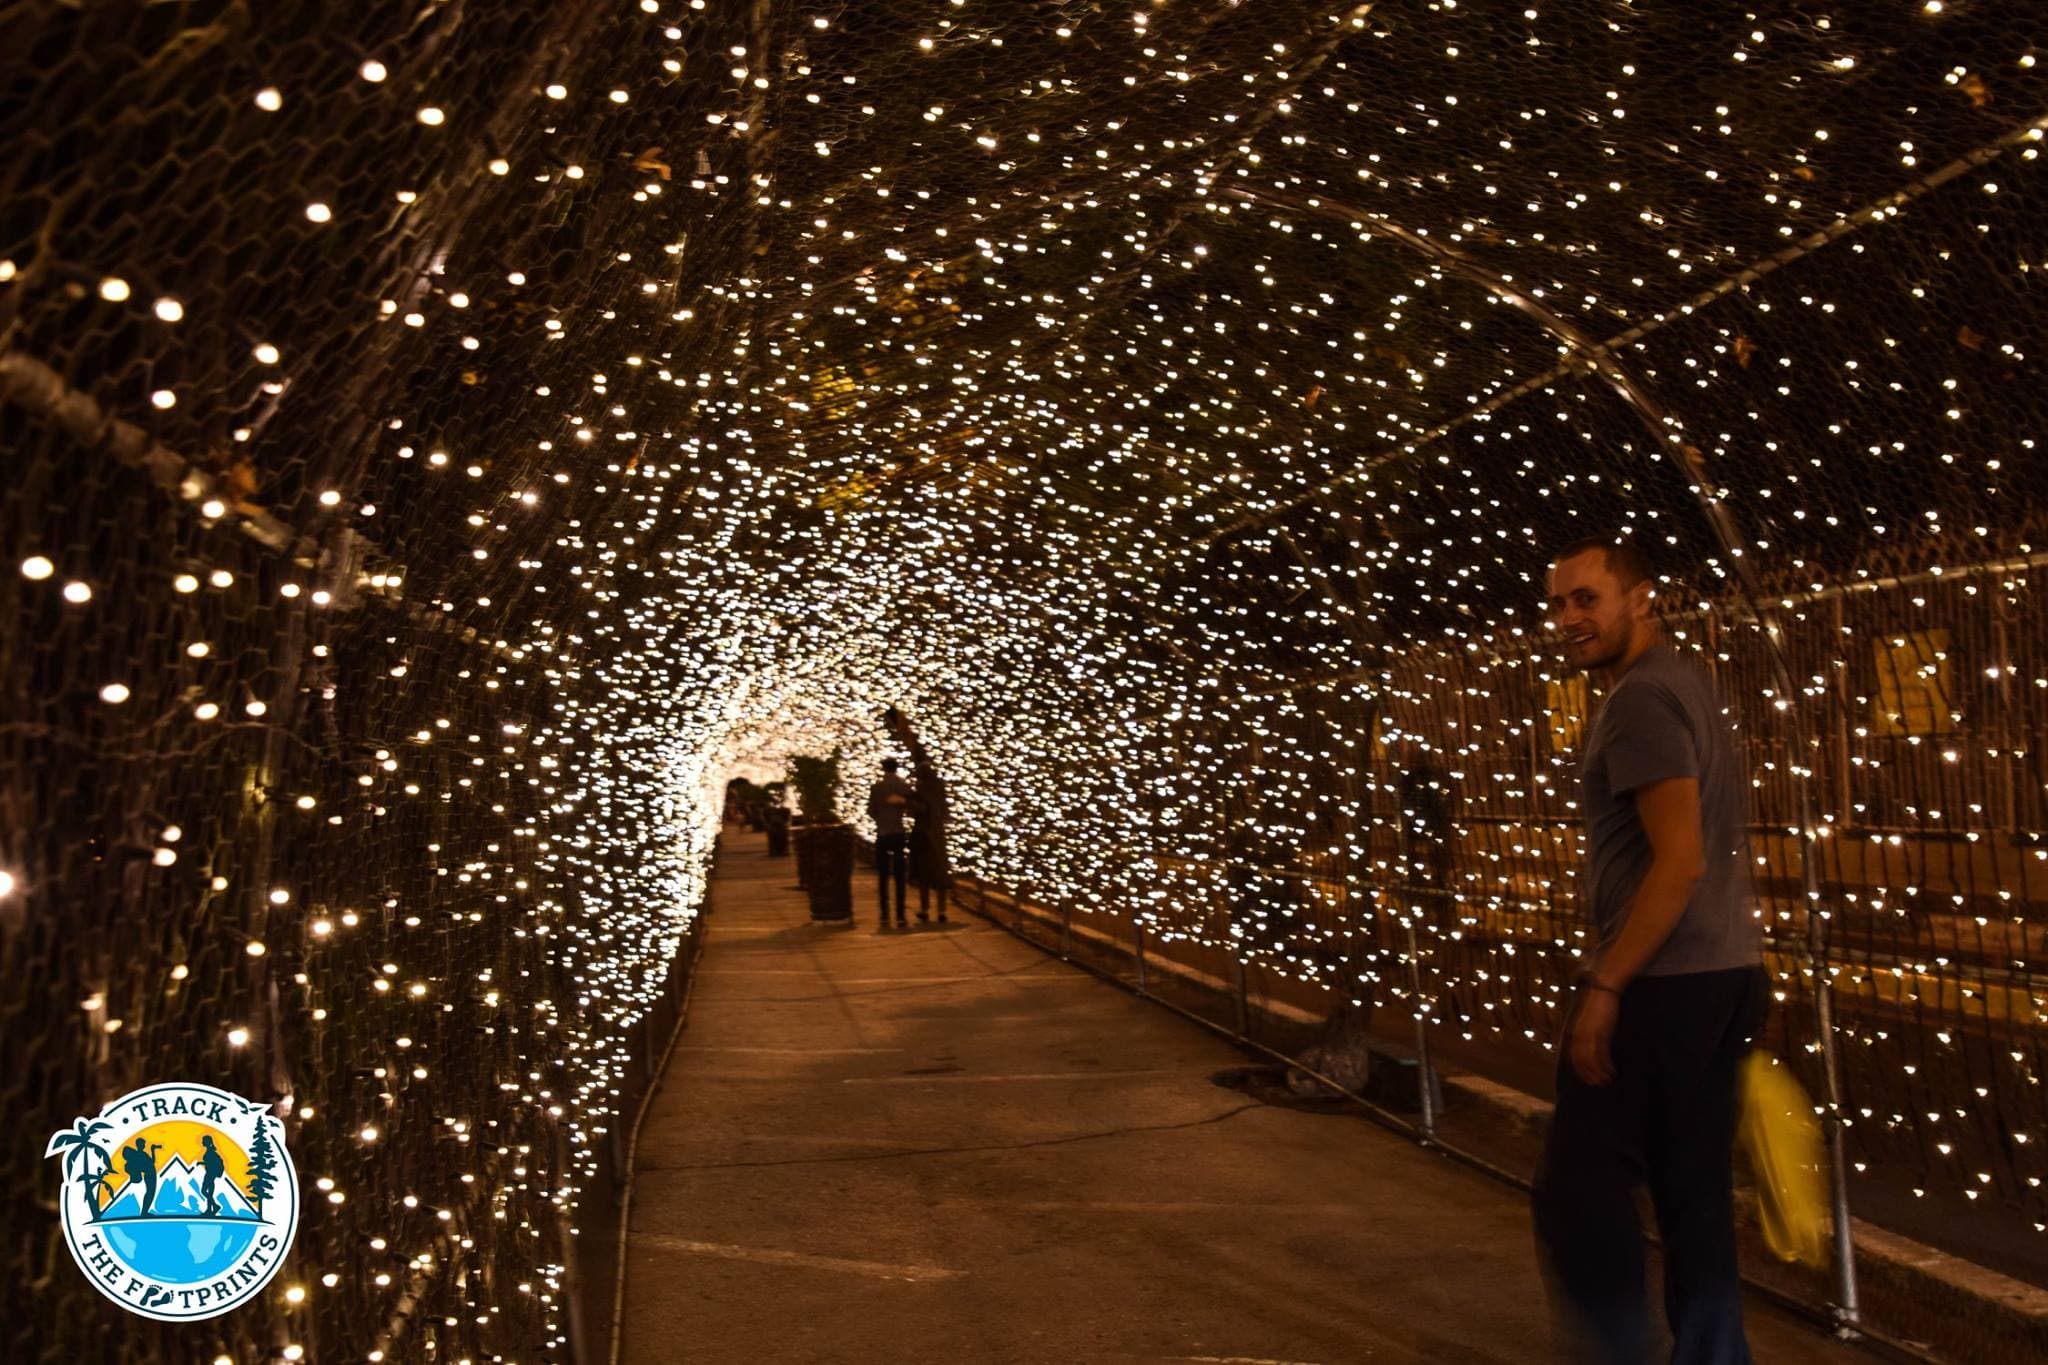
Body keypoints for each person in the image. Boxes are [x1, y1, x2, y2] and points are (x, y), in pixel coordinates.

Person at [1532, 536, 1768, 1364]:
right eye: (1558, 602)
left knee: (1577, 1191)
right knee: (1691, 1189)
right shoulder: (1683, 681)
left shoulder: (1638, 698)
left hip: (1665, 982)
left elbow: (1680, 860)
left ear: (1641, 597)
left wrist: (1606, 984)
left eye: (1587, 598)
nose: (1567, 618)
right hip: (1725, 970)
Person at [868, 758, 916, 928]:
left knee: (882, 876)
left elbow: (871, 811)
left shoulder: (876, 788)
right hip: (898, 832)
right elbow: (912, 803)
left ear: (883, 769)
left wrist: (881, 819)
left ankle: (884, 915)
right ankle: (901, 915)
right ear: (896, 769)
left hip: (883, 833)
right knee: (899, 875)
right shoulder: (903, 786)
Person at [910, 757, 951, 923]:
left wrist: (908, 803)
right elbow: (944, 810)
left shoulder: (920, 789)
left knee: (924, 874)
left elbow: (920, 810)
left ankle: (924, 909)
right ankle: (941, 911)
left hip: (923, 835)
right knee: (940, 872)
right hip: (938, 834)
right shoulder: (940, 787)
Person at [120, 1137, 160, 1217]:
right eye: (142, 1144)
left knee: (150, 1193)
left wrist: (152, 1150)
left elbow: (151, 1162)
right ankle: (144, 1213)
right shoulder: (139, 1155)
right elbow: (149, 1163)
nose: (144, 1145)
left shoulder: (142, 1154)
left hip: (151, 1174)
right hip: (150, 1175)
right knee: (150, 1193)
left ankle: (144, 1212)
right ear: (139, 1145)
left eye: (144, 1144)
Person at [199, 1134, 227, 1216]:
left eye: (203, 1141)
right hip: (210, 1174)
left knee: (204, 1191)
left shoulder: (211, 1152)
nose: (202, 1142)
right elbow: (209, 1162)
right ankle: (211, 1208)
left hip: (210, 1174)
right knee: (209, 1192)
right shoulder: (210, 1151)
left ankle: (214, 1206)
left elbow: (211, 1163)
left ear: (207, 1142)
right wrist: (202, 1163)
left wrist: (204, 1163)